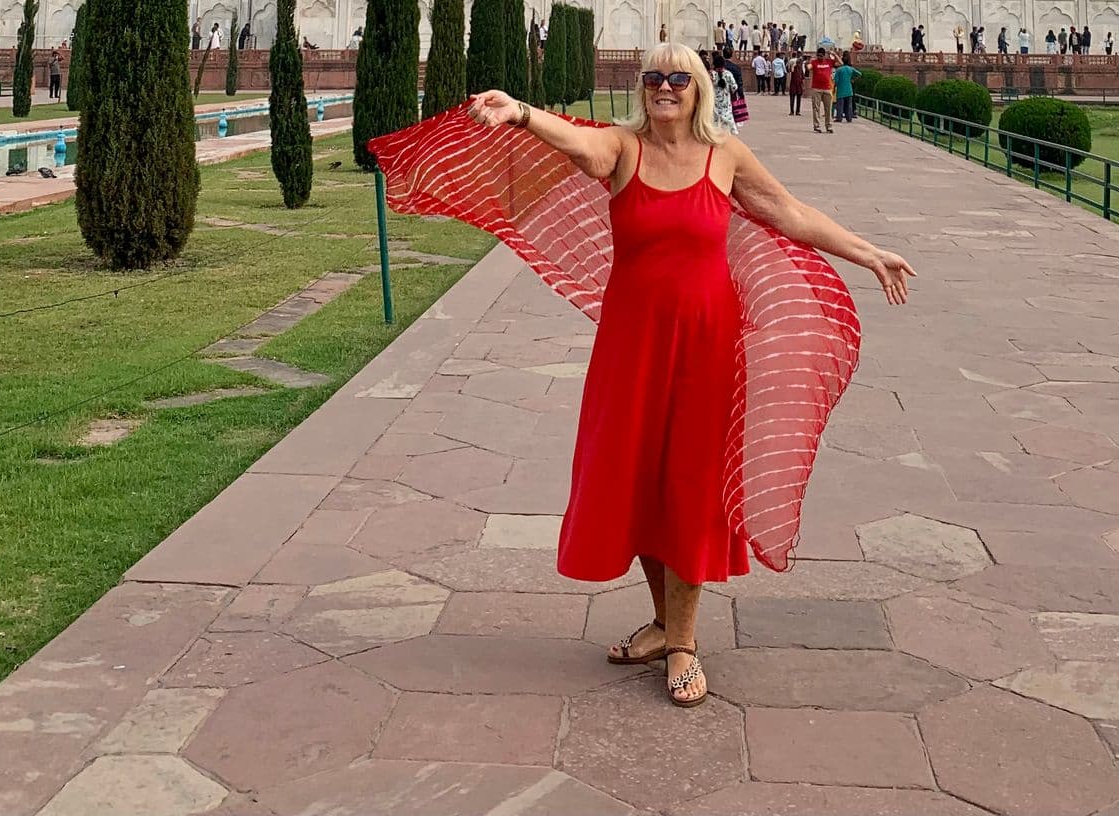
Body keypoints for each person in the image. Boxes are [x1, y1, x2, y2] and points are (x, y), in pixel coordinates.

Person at [374, 49, 910, 709]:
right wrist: (519, 114)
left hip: (706, 346)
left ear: (699, 91)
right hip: (631, 348)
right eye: (652, 78)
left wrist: (866, 252)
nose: (663, 88)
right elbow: (577, 144)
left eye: (677, 78)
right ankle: (663, 623)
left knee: (687, 486)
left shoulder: (725, 159)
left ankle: (682, 642)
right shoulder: (622, 149)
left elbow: (788, 214)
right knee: (632, 483)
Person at [807, 46, 835, 134]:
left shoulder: (829, 62)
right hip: (817, 88)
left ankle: (829, 126)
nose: (820, 57)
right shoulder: (814, 62)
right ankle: (817, 126)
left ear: (824, 55)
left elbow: (841, 63)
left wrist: (834, 54)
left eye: (821, 56)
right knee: (816, 108)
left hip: (827, 88)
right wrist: (811, 61)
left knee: (828, 108)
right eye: (818, 55)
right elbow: (808, 67)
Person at [833, 52, 856, 122]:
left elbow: (836, 81)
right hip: (849, 89)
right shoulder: (851, 68)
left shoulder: (839, 70)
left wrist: (834, 87)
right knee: (848, 105)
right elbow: (859, 74)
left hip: (840, 90)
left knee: (840, 105)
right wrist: (853, 79)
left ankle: (839, 118)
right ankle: (849, 118)